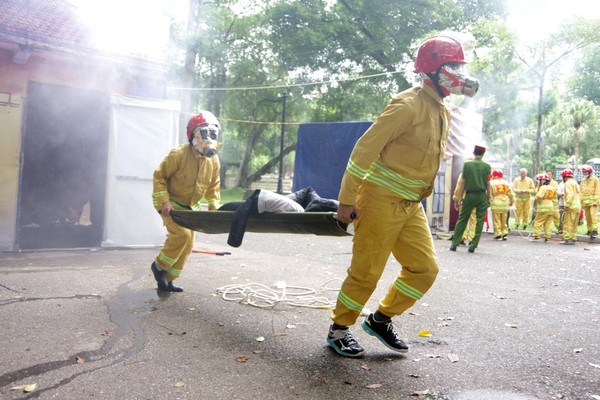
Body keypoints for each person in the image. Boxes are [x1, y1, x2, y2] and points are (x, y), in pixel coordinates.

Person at [327, 35, 479, 358]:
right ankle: (339, 329)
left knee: (425, 268)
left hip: (411, 206)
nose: (460, 74)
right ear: (435, 71)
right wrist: (346, 200)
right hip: (379, 201)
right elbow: (364, 150)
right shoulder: (407, 105)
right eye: (454, 67)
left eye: (460, 67)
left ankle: (381, 319)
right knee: (367, 271)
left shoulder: (443, 111)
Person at [150, 111, 222, 292]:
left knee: (189, 243)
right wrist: (164, 201)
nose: (209, 139)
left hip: (191, 207)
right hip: (171, 204)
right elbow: (159, 177)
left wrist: (214, 206)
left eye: (212, 134)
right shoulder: (179, 154)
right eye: (204, 134)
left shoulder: (213, 161)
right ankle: (158, 266)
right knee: (182, 235)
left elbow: (214, 186)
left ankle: (168, 280)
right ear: (193, 135)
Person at [449, 144, 491, 253]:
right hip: (481, 196)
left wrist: (460, 197)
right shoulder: (487, 166)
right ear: (483, 154)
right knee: (479, 220)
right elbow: (488, 184)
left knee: (462, 219)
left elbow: (462, 182)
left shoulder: (467, 165)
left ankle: (454, 243)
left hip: (469, 195)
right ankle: (473, 245)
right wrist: (488, 198)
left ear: (474, 152)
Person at [488, 169, 514, 240]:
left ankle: (498, 234)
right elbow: (511, 194)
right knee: (504, 220)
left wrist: (488, 202)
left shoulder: (491, 183)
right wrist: (511, 202)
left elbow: (489, 194)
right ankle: (504, 233)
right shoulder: (506, 183)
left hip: (496, 203)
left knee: (496, 220)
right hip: (505, 204)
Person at [531, 173, 555, 241]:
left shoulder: (543, 187)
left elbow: (539, 196)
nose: (538, 182)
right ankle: (547, 236)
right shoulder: (550, 187)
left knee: (538, 221)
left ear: (543, 180)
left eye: (539, 180)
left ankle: (537, 235)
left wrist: (537, 200)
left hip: (543, 207)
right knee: (548, 223)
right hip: (550, 207)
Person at [560, 169, 581, 245]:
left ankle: (567, 239)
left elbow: (570, 195)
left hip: (571, 207)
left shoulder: (568, 183)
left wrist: (567, 205)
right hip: (577, 206)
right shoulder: (575, 183)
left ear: (564, 177)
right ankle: (573, 238)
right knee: (574, 224)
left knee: (568, 223)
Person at [579, 164, 599, 238]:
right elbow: (581, 192)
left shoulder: (595, 180)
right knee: (587, 217)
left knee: (593, 216)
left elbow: (597, 191)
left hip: (593, 203)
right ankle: (589, 230)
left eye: (586, 172)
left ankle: (595, 231)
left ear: (590, 172)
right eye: (584, 173)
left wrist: (596, 201)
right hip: (585, 203)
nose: (584, 174)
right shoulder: (582, 181)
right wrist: (581, 202)